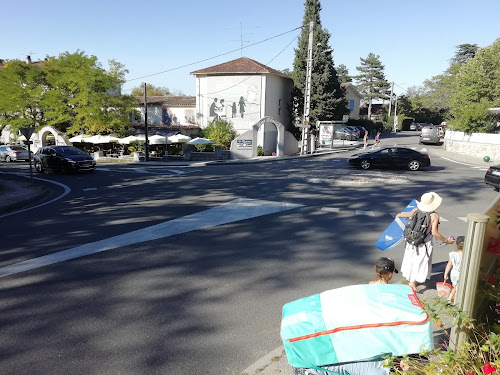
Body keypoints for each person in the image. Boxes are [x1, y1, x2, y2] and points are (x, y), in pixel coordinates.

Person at [395, 192, 454, 291]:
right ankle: (412, 283)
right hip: (424, 243)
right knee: (420, 262)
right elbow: (434, 232)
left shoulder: (416, 210)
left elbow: (407, 214)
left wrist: (399, 215)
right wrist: (446, 240)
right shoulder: (434, 215)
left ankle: (411, 280)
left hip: (412, 241)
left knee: (411, 260)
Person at [444, 235, 464, 304]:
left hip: (454, 273)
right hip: (461, 273)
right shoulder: (466, 255)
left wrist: (445, 274)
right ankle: (455, 302)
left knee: (454, 286)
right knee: (458, 289)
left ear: (456, 245)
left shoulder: (453, 254)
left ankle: (449, 299)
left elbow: (449, 265)